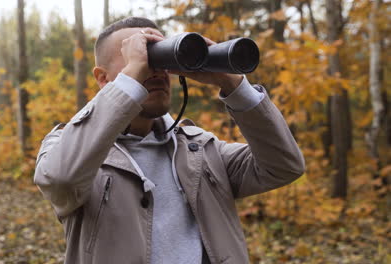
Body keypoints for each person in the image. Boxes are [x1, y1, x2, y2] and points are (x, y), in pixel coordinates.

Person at [34, 17, 305, 264]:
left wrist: (233, 84)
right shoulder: (67, 145)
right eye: (142, 57)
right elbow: (61, 180)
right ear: (103, 78)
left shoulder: (201, 151)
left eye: (161, 58)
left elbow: (283, 166)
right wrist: (133, 76)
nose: (157, 70)